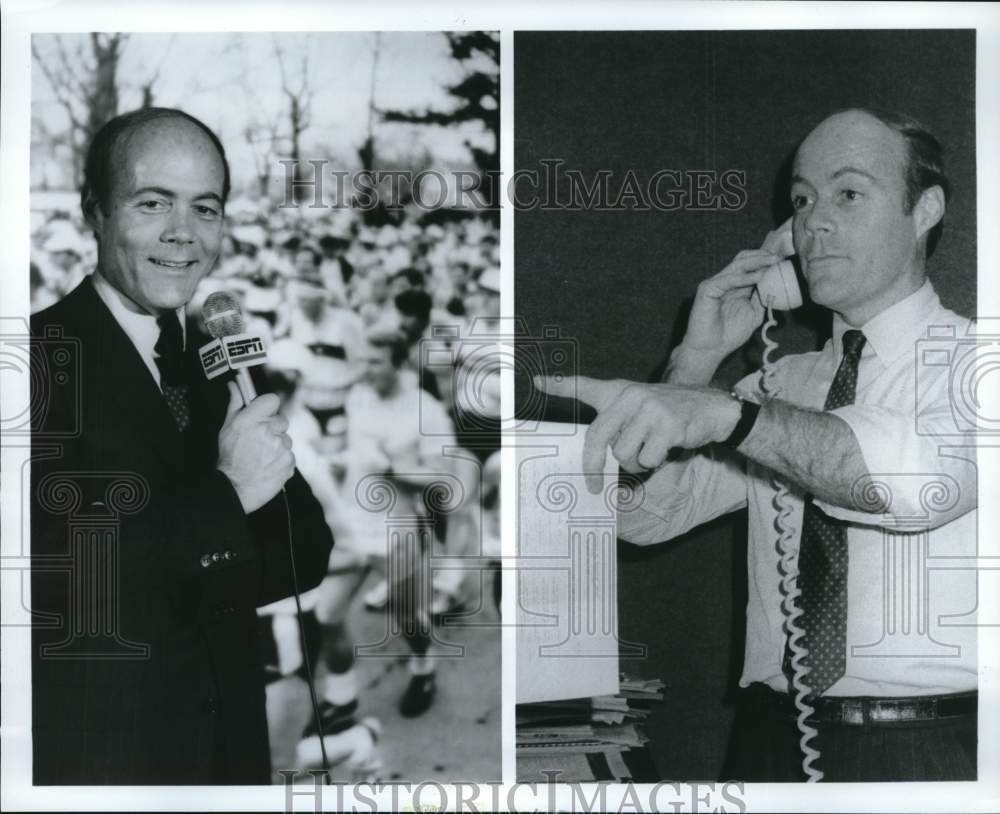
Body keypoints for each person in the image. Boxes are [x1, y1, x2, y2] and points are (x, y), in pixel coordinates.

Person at [536, 108, 977, 782]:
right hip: (770, 740)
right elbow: (642, 518)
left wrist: (728, 416)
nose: (814, 222)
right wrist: (695, 361)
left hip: (931, 746)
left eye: (848, 193)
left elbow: (913, 485)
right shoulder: (775, 386)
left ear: (925, 210)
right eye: (801, 200)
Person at [30, 107, 334, 785]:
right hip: (107, 765)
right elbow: (53, 588)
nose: (183, 233)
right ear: (94, 212)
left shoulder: (214, 363)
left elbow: (305, 552)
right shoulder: (32, 363)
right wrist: (229, 495)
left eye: (205, 207)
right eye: (152, 202)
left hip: (230, 755)